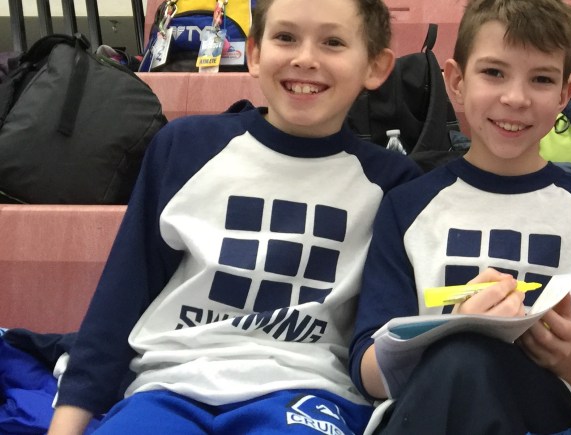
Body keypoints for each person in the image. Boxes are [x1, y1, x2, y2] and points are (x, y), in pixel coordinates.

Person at [46, 0, 418, 433]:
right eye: (286, 37)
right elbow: (120, 296)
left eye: (333, 42)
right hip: (170, 387)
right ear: (255, 53)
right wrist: (66, 425)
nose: (305, 58)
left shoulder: (393, 184)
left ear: (375, 67)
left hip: (309, 393)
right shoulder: (185, 147)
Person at [349, 0, 571, 433]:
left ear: (563, 94)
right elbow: (367, 369)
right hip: (428, 412)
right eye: (494, 72)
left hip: (543, 416)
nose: (515, 98)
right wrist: (452, 331)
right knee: (464, 359)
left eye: (541, 79)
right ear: (456, 82)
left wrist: (567, 356)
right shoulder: (407, 206)